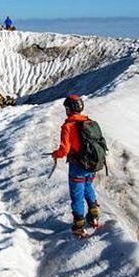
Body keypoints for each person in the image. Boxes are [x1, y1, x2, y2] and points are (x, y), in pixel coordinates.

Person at [51, 94, 101, 238]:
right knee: (88, 187)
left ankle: (79, 225)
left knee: (77, 194)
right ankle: (94, 215)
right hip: (91, 165)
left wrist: (55, 154)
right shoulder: (89, 122)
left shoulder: (68, 126)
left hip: (77, 166)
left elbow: (64, 150)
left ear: (70, 109)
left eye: (66, 107)